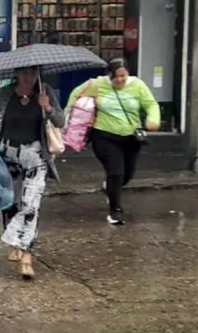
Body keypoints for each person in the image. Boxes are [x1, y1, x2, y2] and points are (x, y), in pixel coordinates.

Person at [0, 67, 65, 279]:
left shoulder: (45, 91)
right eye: (24, 73)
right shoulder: (5, 93)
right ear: (17, 74)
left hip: (36, 156)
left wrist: (48, 108)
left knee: (31, 206)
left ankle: (27, 255)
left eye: (32, 73)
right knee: (10, 203)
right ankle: (15, 243)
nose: (28, 77)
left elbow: (61, 121)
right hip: (7, 154)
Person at [67, 58, 160, 225]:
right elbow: (75, 95)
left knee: (127, 174)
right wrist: (69, 118)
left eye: (123, 76)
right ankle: (115, 211)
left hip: (131, 137)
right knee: (115, 172)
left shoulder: (138, 85)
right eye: (115, 77)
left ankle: (109, 188)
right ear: (109, 75)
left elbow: (150, 104)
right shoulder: (96, 85)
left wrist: (153, 119)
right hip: (104, 136)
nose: (120, 80)